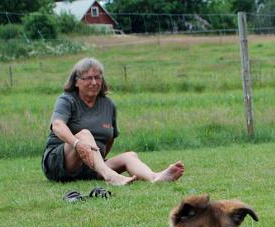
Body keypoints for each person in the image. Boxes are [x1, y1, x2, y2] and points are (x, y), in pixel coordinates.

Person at [42, 57, 184, 185]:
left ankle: (154, 177)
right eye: (88, 78)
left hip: (91, 166)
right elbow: (57, 125)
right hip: (59, 163)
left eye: (98, 78)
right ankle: (110, 176)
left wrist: (97, 160)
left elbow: (110, 138)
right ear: (76, 81)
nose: (94, 82)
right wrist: (77, 144)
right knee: (84, 134)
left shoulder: (108, 105)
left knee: (130, 156)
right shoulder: (66, 100)